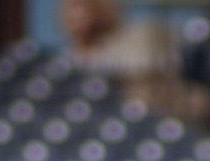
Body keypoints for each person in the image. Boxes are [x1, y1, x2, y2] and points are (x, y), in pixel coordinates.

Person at [60, 0, 210, 129]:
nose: (75, 15)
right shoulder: (64, 61)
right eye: (72, 7)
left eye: (81, 6)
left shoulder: (136, 39)